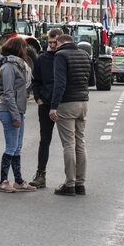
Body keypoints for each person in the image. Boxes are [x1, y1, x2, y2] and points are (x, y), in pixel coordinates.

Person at [49, 33, 91, 196]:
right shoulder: (85, 54)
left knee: (68, 144)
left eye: (55, 44)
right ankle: (80, 184)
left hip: (67, 103)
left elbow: (60, 83)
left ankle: (70, 184)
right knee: (80, 142)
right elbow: (92, 80)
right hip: (83, 102)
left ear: (59, 43)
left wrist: (53, 107)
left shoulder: (60, 55)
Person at [0, 37, 36, 193]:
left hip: (18, 110)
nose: (25, 51)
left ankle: (18, 180)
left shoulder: (18, 66)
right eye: (24, 48)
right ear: (18, 49)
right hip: (9, 111)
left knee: (17, 147)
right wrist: (15, 116)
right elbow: (8, 93)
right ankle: (3, 181)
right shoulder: (8, 67)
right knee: (11, 146)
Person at [29, 28, 62, 188]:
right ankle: (41, 175)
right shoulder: (42, 59)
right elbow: (35, 80)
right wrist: (38, 98)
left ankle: (72, 178)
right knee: (45, 140)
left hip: (64, 105)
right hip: (46, 104)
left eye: (55, 43)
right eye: (50, 43)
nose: (53, 45)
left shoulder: (65, 57)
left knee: (69, 143)